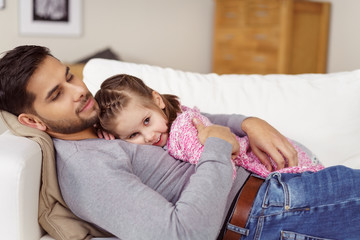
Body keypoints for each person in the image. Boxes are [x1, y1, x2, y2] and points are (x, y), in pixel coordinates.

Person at [0, 45, 359, 240]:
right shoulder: (86, 169)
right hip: (265, 212)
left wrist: (247, 123)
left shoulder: (105, 123)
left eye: (69, 76)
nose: (79, 91)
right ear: (32, 120)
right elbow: (182, 235)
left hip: (274, 192)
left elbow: (182, 120)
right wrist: (218, 147)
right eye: (57, 94)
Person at [94, 74, 324, 178]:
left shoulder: (183, 127)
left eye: (146, 121)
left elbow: (218, 168)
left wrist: (248, 123)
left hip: (275, 158)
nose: (149, 136)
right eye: (134, 134)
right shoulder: (167, 127)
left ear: (158, 100)